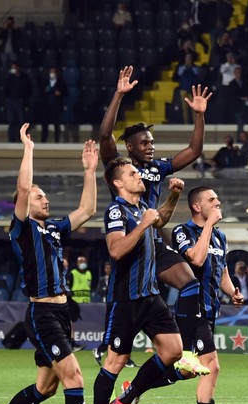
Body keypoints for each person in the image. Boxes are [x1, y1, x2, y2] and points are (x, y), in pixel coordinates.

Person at [0, 127, 117, 404]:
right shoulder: (21, 229)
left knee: (46, 388)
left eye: (44, 197)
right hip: (41, 315)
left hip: (60, 315)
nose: (45, 200)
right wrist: (29, 149)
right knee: (75, 378)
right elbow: (23, 188)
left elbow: (87, 209)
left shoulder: (52, 228)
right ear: (24, 204)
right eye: (39, 197)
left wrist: (89, 171)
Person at [98, 66, 214, 374]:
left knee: (190, 283)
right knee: (118, 349)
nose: (151, 146)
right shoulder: (119, 167)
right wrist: (119, 95)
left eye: (152, 142)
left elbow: (194, 150)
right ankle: (108, 351)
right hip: (130, 237)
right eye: (145, 143)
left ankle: (186, 351)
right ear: (131, 147)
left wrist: (199, 115)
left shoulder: (158, 169)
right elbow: (104, 135)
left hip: (153, 240)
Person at [88, 159, 202, 404]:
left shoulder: (140, 209)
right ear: (118, 183)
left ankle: (125, 400)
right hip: (126, 299)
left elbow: (159, 220)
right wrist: (142, 225)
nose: (139, 177)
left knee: (173, 350)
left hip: (150, 295)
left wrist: (173, 196)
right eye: (132, 174)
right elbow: (115, 249)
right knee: (114, 362)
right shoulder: (116, 210)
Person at [171, 186, 244, 404]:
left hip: (211, 310)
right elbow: (197, 259)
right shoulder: (183, 231)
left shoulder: (220, 237)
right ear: (197, 207)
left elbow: (221, 272)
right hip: (191, 311)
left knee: (188, 369)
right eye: (212, 200)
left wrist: (232, 291)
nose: (218, 202)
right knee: (211, 367)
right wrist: (209, 226)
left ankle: (131, 392)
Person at [4, 63, 32, 143]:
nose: (13, 69)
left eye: (14, 67)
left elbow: (29, 90)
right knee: (11, 122)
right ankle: (11, 140)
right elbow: (6, 89)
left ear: (18, 68)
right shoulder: (10, 78)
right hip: (11, 102)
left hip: (20, 102)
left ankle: (22, 140)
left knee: (21, 122)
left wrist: (24, 100)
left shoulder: (24, 78)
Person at [40, 67, 68, 143]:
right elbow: (41, 93)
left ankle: (57, 141)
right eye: (51, 72)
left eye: (54, 72)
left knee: (57, 125)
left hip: (56, 107)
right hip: (46, 107)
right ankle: (43, 140)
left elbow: (66, 93)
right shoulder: (45, 82)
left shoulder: (61, 82)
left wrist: (60, 93)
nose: (52, 74)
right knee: (45, 125)